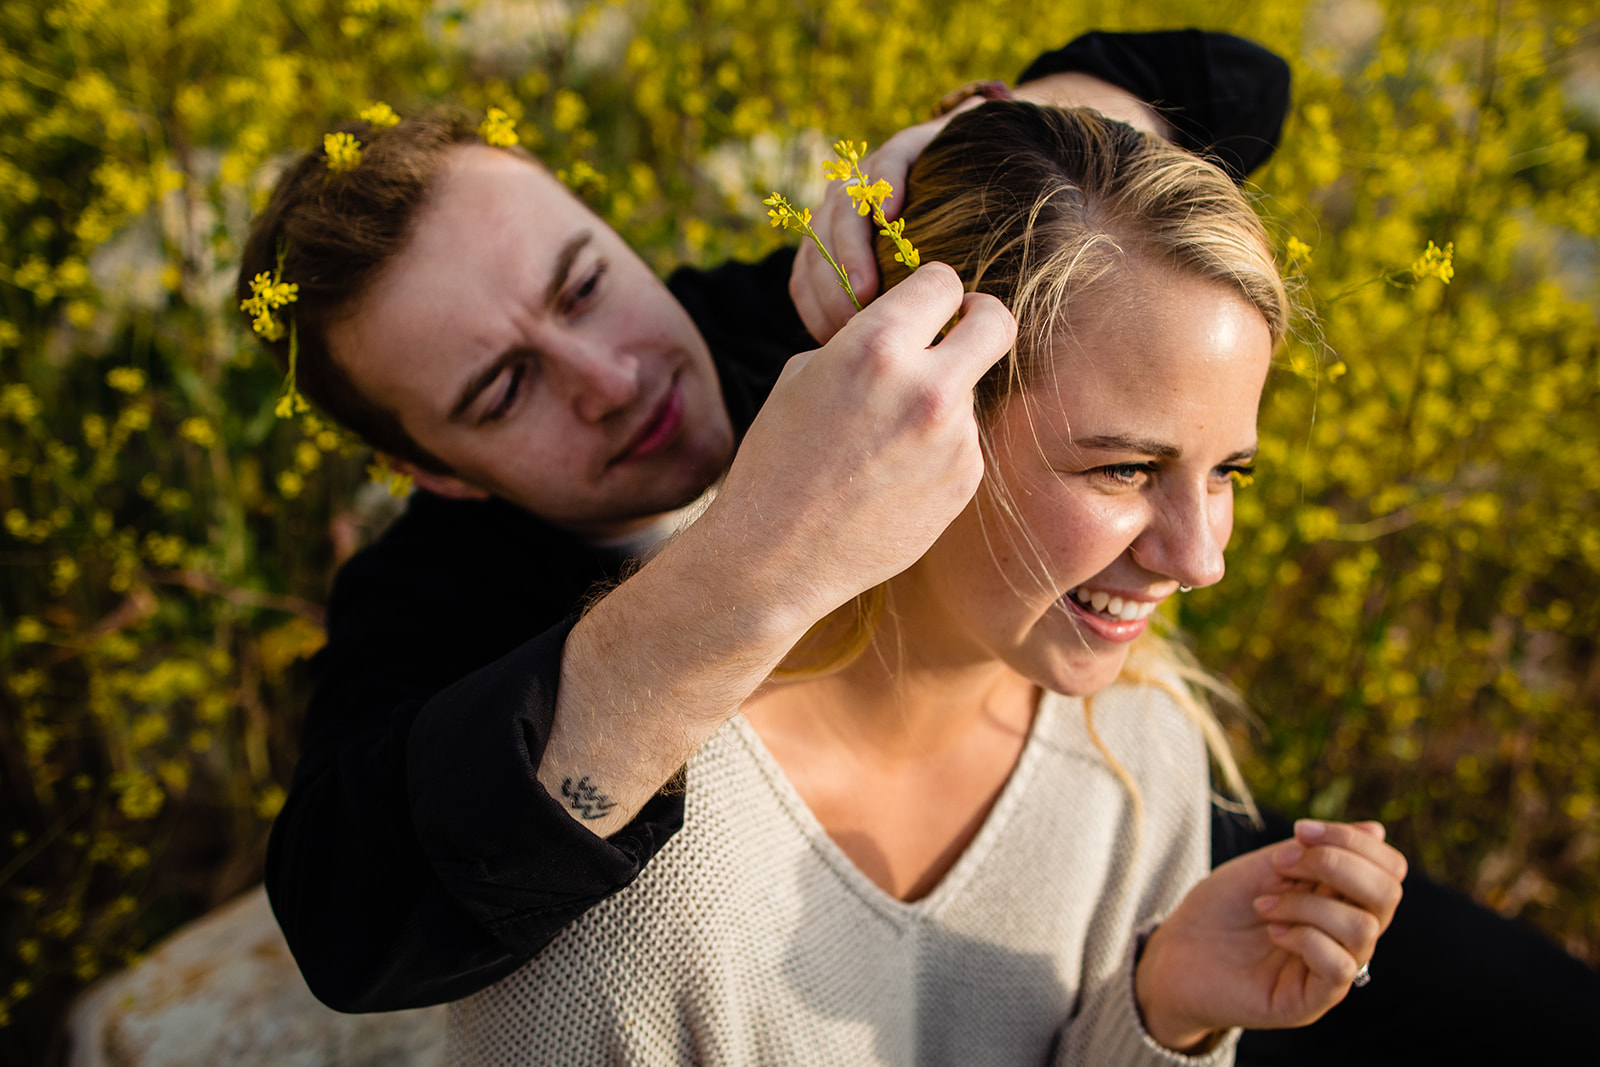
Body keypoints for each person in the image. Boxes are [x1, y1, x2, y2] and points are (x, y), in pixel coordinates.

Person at [243, 30, 1296, 1016]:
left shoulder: (792, 316)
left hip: (1100, 802)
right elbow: (349, 922)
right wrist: (756, 559)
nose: (610, 377)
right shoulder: (432, 592)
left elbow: (1240, 88)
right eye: (504, 390)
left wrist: (995, 132)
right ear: (430, 470)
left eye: (585, 286)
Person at [445, 101, 1407, 1065]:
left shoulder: (1139, 747)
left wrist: (1159, 1014)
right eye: (1123, 469)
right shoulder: (630, 867)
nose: (1203, 560)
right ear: (912, 413)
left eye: (1228, 472)